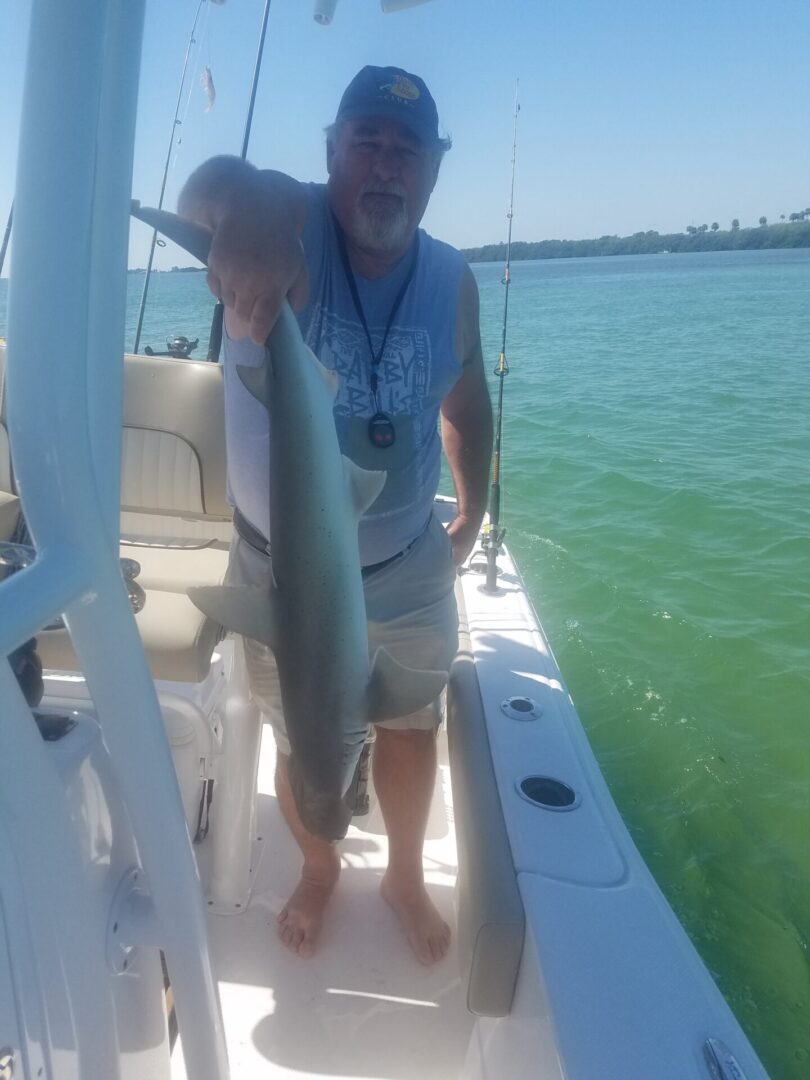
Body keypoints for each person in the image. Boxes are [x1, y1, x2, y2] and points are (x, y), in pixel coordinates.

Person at [178, 65, 492, 965]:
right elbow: (216, 190)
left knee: (410, 728)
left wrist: (470, 514)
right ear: (331, 154)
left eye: (407, 150)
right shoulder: (287, 226)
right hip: (283, 577)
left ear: (433, 168)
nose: (386, 166)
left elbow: (465, 405)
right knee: (297, 735)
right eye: (366, 143)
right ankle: (319, 866)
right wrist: (247, 220)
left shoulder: (455, 282)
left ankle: (401, 871)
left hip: (405, 558)